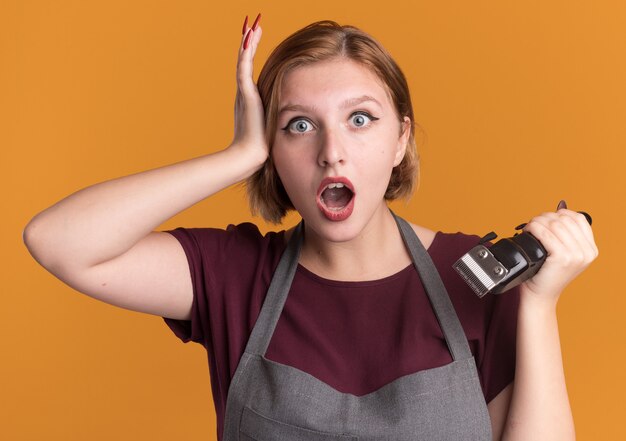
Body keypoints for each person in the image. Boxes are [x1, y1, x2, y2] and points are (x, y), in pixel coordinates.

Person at [23, 15, 597, 441]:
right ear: (274, 149)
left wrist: (538, 306)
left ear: (401, 140)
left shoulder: (474, 278)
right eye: (299, 125)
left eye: (360, 119)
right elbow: (59, 242)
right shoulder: (235, 275)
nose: (332, 153)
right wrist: (237, 156)